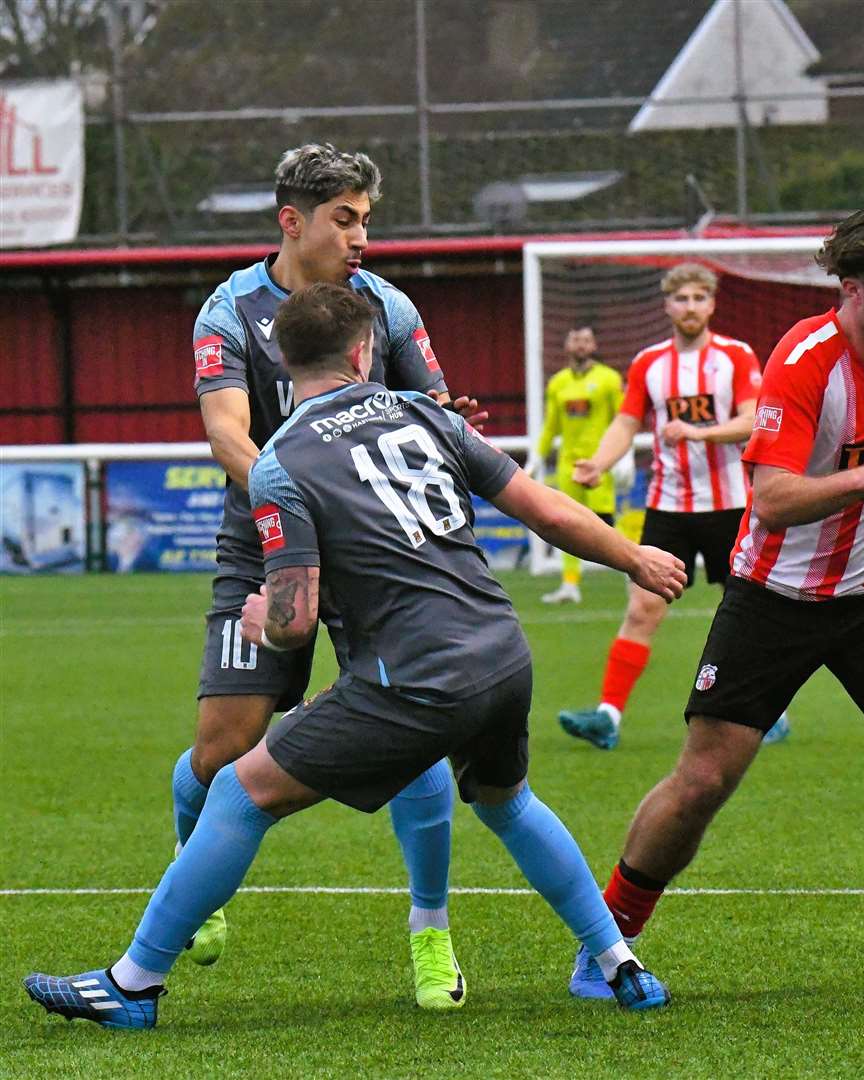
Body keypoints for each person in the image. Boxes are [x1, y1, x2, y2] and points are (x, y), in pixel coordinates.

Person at [23, 283, 683, 1029]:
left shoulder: (277, 464)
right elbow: (541, 505)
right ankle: (615, 960)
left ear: (277, 357)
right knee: (506, 802)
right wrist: (633, 557)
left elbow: (294, 622)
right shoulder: (426, 412)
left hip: (414, 678)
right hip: (502, 653)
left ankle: (132, 984)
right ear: (365, 349)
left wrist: (258, 615)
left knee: (241, 792)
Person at [564, 206, 864, 1000]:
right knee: (703, 783)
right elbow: (770, 501)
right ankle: (609, 942)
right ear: (851, 289)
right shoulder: (803, 359)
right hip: (775, 593)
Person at [179, 143, 485, 1006]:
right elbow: (228, 438)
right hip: (264, 542)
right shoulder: (228, 311)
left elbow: (429, 411)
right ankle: (190, 886)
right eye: (344, 219)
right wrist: (296, 499)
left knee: (414, 741)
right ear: (292, 221)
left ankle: (431, 935)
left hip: (372, 555)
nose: (360, 238)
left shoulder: (387, 306)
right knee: (221, 752)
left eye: (366, 221)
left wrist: (448, 420)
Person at [557, 264, 788, 749]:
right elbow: (625, 422)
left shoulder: (735, 356)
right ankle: (608, 717)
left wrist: (699, 432)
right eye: (680, 299)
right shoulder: (648, 363)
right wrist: (598, 462)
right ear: (666, 305)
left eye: (697, 298)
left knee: (750, 612)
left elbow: (754, 421)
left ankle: (771, 708)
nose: (689, 307)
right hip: (668, 507)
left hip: (730, 506)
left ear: (711, 304)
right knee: (643, 606)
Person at [529, 324, 625, 604]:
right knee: (567, 526)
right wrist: (536, 457)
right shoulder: (558, 383)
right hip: (568, 465)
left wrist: (622, 456)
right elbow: (550, 427)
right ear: (567, 345)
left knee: (604, 522)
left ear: (594, 346)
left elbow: (622, 419)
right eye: (576, 340)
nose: (581, 345)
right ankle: (570, 584)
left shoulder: (608, 379)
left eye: (586, 340)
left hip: (599, 463)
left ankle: (633, 570)